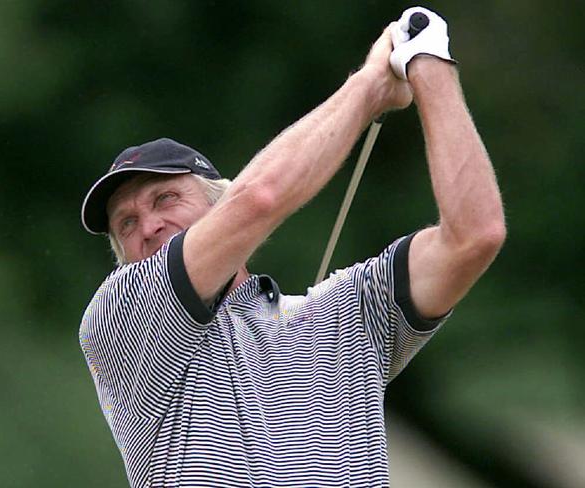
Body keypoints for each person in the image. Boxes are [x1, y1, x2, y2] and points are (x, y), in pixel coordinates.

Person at [79, 7, 505, 487]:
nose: (150, 226)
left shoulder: (347, 311)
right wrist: (370, 86)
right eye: (127, 222)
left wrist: (430, 65)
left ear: (218, 203)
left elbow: (475, 235)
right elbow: (261, 197)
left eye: (167, 198)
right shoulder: (120, 314)